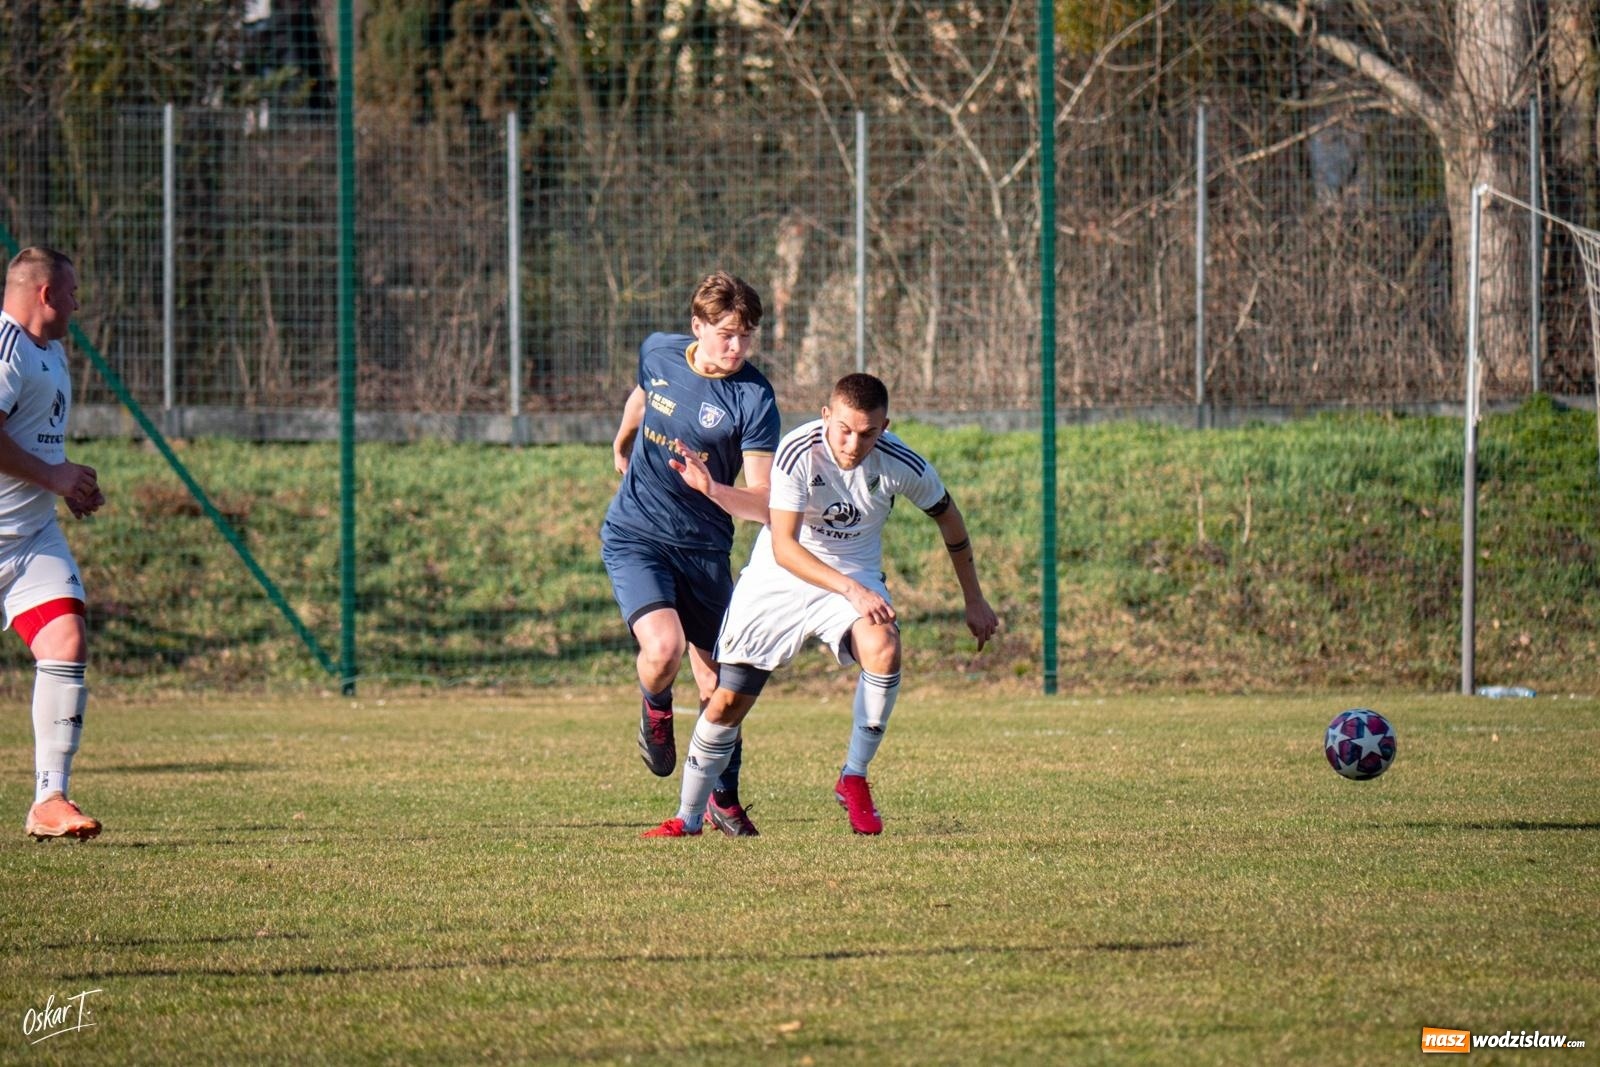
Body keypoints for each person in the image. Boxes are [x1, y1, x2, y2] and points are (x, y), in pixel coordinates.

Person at [643, 372, 999, 838]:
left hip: (854, 576)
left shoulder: (900, 463)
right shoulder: (797, 451)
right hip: (781, 576)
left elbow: (950, 520)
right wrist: (852, 591)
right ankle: (687, 818)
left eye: (869, 433)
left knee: (884, 646)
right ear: (827, 416)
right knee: (728, 701)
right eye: (845, 429)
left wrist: (974, 598)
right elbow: (786, 547)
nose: (854, 443)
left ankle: (853, 776)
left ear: (885, 427)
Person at [601, 271, 781, 837]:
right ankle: (655, 707)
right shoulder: (659, 350)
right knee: (663, 649)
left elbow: (765, 504)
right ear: (696, 327)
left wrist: (713, 491)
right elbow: (646, 391)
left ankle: (723, 800)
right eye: (726, 334)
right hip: (637, 535)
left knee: (719, 687)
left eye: (746, 336)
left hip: (705, 549)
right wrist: (625, 437)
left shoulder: (753, 397)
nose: (737, 347)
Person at [0, 247, 105, 841]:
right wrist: (55, 476)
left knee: (65, 635)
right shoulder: (5, 350)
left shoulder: (54, 353)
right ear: (44, 295)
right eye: (70, 293)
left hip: (28, 536)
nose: (76, 303)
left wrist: (67, 482)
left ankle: (50, 799)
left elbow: (31, 443)